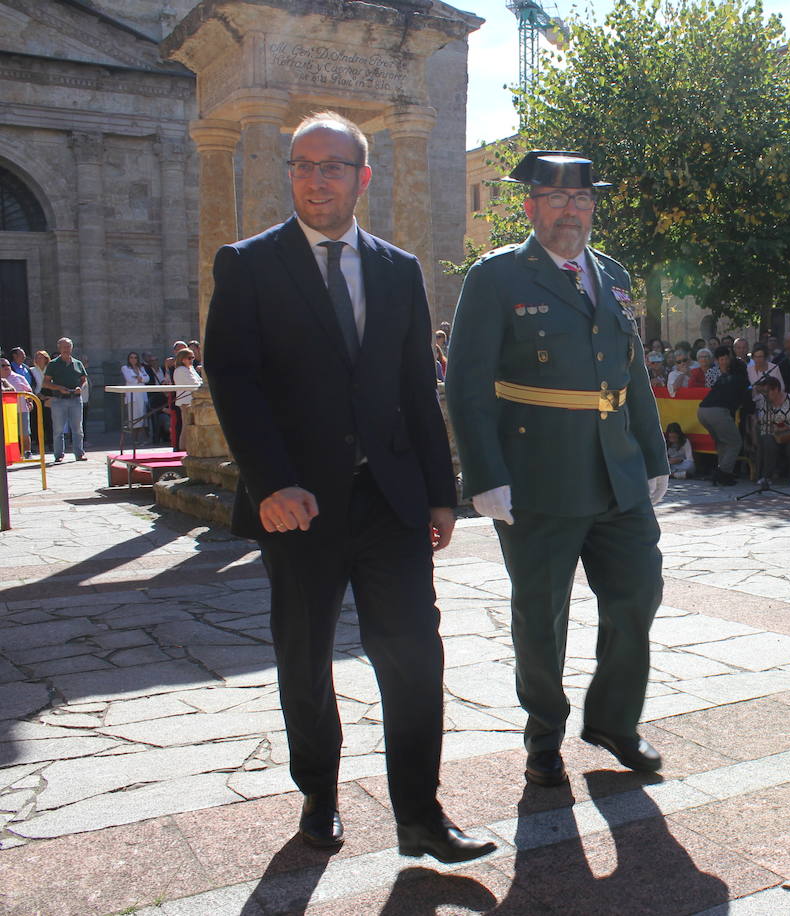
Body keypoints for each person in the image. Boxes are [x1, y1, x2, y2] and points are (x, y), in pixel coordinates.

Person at [204, 111, 492, 864]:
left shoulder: (397, 270)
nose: (316, 178)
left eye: (333, 165)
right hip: (297, 504)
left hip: (390, 500)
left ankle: (421, 816)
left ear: (363, 177)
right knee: (304, 656)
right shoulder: (249, 263)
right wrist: (270, 482)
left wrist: (440, 491)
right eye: (303, 164)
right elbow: (232, 377)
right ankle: (319, 798)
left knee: (413, 656)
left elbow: (413, 387)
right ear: (290, 173)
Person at [448, 149, 670, 790]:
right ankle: (543, 735)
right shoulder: (496, 278)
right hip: (538, 474)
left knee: (637, 595)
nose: (569, 211)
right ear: (530, 208)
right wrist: (484, 474)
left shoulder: (614, 273)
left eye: (580, 200)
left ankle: (613, 721)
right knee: (542, 613)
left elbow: (631, 372)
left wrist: (652, 455)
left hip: (617, 473)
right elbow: (466, 385)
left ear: (592, 207)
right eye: (554, 200)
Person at [698, 345, 753, 485]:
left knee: (722, 442)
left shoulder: (724, 378)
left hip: (702, 411)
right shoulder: (743, 381)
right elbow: (749, 405)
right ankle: (723, 473)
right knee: (735, 442)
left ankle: (723, 471)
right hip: (718, 412)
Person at [42, 337, 87, 463]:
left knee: (77, 428)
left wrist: (81, 388)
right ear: (59, 348)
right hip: (59, 399)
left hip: (75, 399)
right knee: (58, 429)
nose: (66, 349)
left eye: (68, 347)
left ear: (71, 348)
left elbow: (84, 380)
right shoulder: (53, 364)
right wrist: (59, 388)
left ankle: (79, 453)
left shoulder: (78, 363)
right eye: (63, 347)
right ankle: (58, 454)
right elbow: (45, 383)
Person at [755, 375, 790, 486]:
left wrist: (787, 427)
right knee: (768, 442)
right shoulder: (765, 401)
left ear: (776, 390)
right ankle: (766, 476)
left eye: (768, 392)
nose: (766, 394)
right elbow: (761, 421)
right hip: (772, 433)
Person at [0, 358, 34, 457]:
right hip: (4, 411)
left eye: (8, 365)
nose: (6, 368)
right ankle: (8, 454)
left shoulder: (19, 377)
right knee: (7, 434)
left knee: (24, 432)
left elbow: (28, 391)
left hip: (21, 409)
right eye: (3, 366)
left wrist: (30, 401)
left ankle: (27, 452)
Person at [170, 347, 200, 450]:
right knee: (186, 426)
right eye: (189, 358)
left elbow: (199, 380)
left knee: (190, 426)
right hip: (185, 401)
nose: (192, 360)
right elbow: (194, 383)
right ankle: (182, 449)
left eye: (193, 357)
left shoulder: (190, 369)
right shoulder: (181, 370)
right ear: (182, 359)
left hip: (192, 400)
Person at [120, 352, 150, 441]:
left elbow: (147, 378)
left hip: (142, 394)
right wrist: (140, 379)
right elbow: (129, 379)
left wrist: (139, 378)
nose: (133, 359)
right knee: (134, 418)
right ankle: (135, 440)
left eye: (135, 357)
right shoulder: (125, 368)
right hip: (133, 396)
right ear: (129, 359)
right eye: (131, 358)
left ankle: (145, 439)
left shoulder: (141, 368)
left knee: (144, 416)